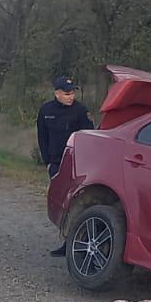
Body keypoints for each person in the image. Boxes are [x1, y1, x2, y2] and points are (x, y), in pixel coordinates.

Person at [36, 75, 93, 257]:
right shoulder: (46, 110)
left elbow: (90, 136)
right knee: (60, 202)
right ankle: (64, 240)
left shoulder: (80, 111)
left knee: (75, 202)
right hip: (55, 162)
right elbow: (42, 138)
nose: (71, 97)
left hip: (76, 164)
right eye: (67, 93)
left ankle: (73, 242)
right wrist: (47, 162)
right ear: (57, 93)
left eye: (73, 93)